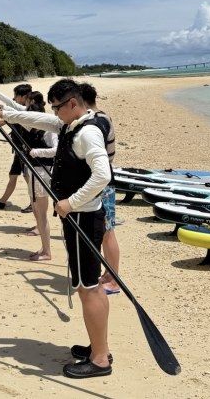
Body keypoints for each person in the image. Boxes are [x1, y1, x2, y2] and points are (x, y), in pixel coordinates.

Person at [0, 78, 113, 379]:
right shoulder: (73, 124)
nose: (55, 114)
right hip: (80, 218)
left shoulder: (88, 133)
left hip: (83, 218)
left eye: (58, 108)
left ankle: (100, 360)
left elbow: (103, 175)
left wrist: (70, 202)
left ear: (72, 104)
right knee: (88, 285)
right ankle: (98, 346)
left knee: (88, 289)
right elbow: (38, 118)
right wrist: (5, 113)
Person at [79, 83, 121, 295]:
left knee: (107, 231)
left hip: (102, 182)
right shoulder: (103, 117)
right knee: (105, 230)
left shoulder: (98, 120)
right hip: (103, 180)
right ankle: (109, 274)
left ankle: (113, 279)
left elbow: (108, 156)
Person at [20, 91, 58, 261]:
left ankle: (47, 251)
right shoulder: (31, 126)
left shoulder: (48, 129)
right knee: (36, 210)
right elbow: (15, 114)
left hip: (43, 172)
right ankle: (43, 248)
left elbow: (56, 150)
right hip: (33, 170)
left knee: (41, 213)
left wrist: (37, 152)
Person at [0, 83, 33, 211]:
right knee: (13, 175)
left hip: (25, 149)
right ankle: (2, 201)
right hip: (18, 148)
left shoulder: (27, 111)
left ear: (23, 97)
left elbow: (4, 116)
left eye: (16, 95)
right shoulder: (20, 108)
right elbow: (4, 118)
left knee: (28, 177)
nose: (14, 98)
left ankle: (34, 203)